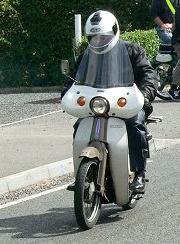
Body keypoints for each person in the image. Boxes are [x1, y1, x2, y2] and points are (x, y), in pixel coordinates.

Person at [62, 10, 156, 194]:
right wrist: (67, 92)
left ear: (114, 32)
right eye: (94, 37)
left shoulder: (131, 50)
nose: (98, 41)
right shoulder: (86, 55)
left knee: (135, 125)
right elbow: (74, 79)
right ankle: (81, 175)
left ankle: (139, 173)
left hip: (127, 103)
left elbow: (148, 74)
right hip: (97, 105)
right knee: (79, 126)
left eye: (103, 37)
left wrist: (145, 95)